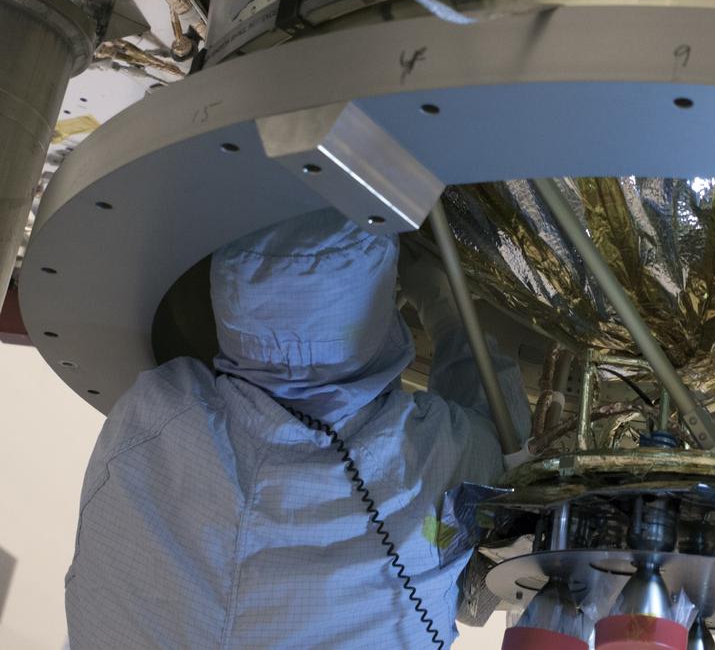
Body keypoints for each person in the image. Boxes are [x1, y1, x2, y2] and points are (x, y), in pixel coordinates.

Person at [64, 209, 530, 648]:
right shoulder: (424, 453)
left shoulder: (155, 414)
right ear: (378, 313)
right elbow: (506, 446)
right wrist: (443, 309)